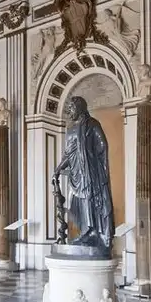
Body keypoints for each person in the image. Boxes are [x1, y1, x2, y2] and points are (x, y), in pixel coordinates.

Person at [52, 96, 114, 252]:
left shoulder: (92, 124)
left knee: (89, 202)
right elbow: (67, 154)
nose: (69, 111)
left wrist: (96, 166)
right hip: (76, 176)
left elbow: (102, 146)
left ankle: (92, 232)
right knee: (76, 206)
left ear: (79, 108)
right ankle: (85, 232)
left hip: (90, 172)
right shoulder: (71, 129)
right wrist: (57, 170)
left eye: (71, 108)